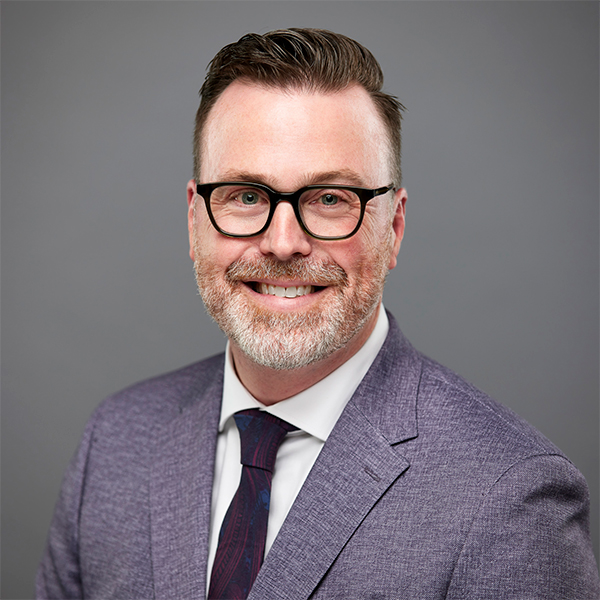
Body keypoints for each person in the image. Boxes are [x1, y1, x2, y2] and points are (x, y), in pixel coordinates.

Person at [36, 28, 599, 600]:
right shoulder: (115, 440)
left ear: (394, 227)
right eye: (246, 195)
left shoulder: (511, 498)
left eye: (330, 199)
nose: (283, 244)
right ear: (194, 219)